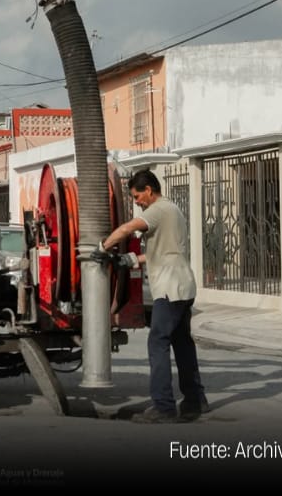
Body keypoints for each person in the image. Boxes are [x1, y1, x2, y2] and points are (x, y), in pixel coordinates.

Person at [100, 169, 208, 424]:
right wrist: (131, 259)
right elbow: (161, 253)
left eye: (137, 196)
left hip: (170, 289)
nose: (136, 202)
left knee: (157, 342)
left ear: (149, 190)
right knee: (182, 344)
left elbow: (128, 228)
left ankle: (163, 406)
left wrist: (101, 247)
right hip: (183, 285)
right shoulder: (173, 210)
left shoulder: (157, 210)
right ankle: (194, 401)